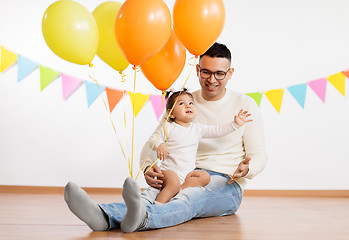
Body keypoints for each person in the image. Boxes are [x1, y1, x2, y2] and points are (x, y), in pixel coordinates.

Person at [64, 42, 267, 233]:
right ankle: (103, 216)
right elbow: (154, 140)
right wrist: (147, 166)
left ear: (230, 73)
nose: (212, 79)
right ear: (198, 70)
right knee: (152, 193)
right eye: (206, 72)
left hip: (225, 182)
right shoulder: (183, 102)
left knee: (190, 197)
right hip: (181, 172)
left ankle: (143, 219)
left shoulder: (246, 105)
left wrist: (248, 168)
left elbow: (258, 154)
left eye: (219, 73)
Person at [148, 89, 252, 205]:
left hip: (188, 172)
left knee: (204, 176)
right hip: (169, 171)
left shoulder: (197, 129)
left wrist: (235, 124)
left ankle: (180, 191)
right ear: (171, 113)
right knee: (173, 184)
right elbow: (152, 140)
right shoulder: (168, 127)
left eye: (191, 103)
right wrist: (160, 144)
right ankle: (157, 206)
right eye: (181, 103)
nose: (188, 106)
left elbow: (216, 131)